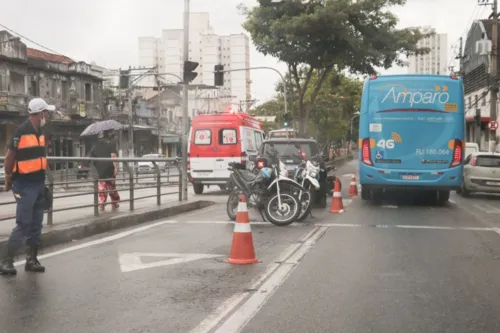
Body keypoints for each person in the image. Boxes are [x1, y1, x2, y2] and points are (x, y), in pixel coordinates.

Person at [1, 98, 55, 275]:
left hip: (38, 183)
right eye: (46, 112)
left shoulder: (41, 132)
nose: (48, 115)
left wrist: (47, 176)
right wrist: (8, 177)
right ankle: (6, 262)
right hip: (24, 184)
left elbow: (41, 157)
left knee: (36, 224)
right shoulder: (21, 131)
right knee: (23, 223)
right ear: (40, 114)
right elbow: (10, 157)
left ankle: (31, 260)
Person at [91, 129, 120, 211]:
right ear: (110, 134)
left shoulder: (97, 143)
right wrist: (116, 167)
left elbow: (94, 156)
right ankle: (114, 203)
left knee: (102, 186)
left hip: (100, 168)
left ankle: (101, 203)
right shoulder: (112, 143)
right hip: (109, 167)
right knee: (111, 186)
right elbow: (113, 155)